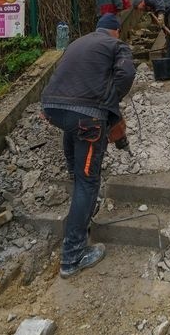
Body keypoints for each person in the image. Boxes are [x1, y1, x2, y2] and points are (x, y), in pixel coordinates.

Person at [41, 14, 136, 278]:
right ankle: (73, 257)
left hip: (51, 108)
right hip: (87, 116)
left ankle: (77, 182)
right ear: (116, 31)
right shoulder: (117, 45)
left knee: (76, 135)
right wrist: (110, 101)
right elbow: (127, 72)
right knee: (88, 181)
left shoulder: (77, 43)